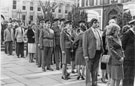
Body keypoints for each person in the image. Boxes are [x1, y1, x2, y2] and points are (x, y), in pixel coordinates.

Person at [83, 18, 104, 86]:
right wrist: (85, 55)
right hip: (90, 53)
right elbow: (85, 45)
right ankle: (88, 84)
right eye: (95, 23)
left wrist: (101, 50)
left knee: (95, 69)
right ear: (92, 23)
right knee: (89, 69)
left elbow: (100, 41)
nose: (97, 24)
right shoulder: (87, 32)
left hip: (98, 52)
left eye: (97, 22)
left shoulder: (98, 31)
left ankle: (94, 83)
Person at [122, 19, 135, 86]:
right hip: (128, 58)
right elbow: (123, 45)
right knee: (127, 74)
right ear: (133, 25)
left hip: (133, 58)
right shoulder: (127, 33)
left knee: (132, 75)